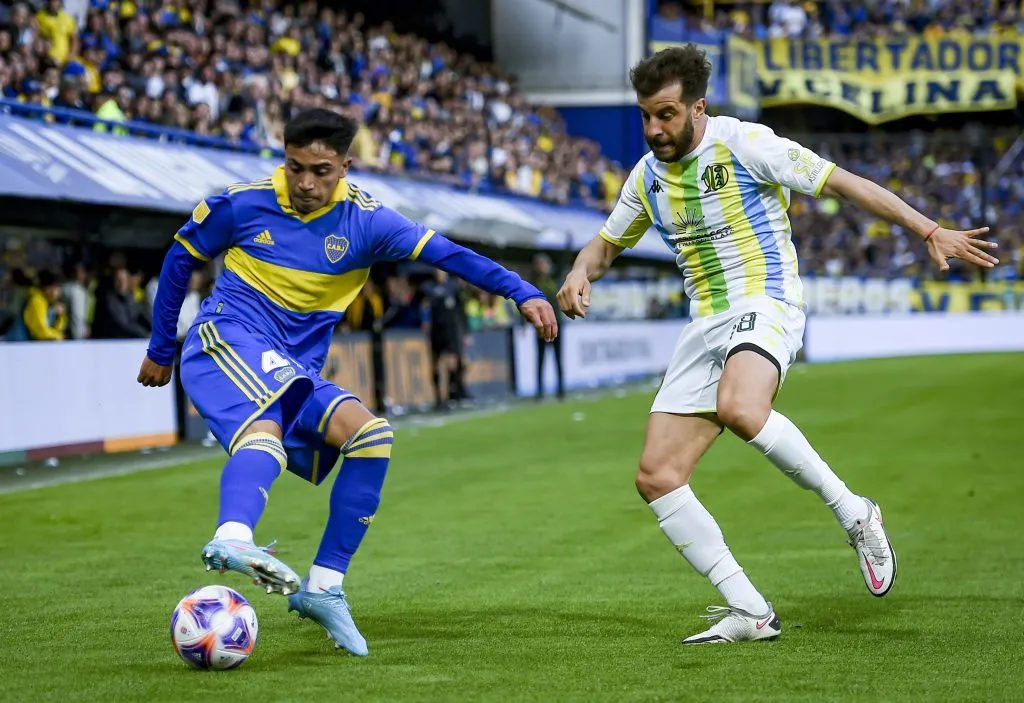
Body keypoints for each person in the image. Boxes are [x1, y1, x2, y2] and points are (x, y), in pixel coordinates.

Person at [556, 45, 998, 645]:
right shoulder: (646, 177)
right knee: (657, 475)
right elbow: (606, 245)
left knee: (742, 408)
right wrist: (580, 271)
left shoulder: (745, 144)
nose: (654, 129)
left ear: (697, 108)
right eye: (646, 116)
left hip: (766, 301)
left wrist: (928, 229)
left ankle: (855, 513)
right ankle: (750, 611)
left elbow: (843, 183)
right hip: (705, 323)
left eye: (666, 114)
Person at [137, 108, 557, 657]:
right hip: (226, 338)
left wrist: (521, 290)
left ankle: (324, 587)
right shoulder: (241, 204)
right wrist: (160, 347)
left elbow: (448, 254)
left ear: (345, 167)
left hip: (293, 367)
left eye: (321, 170)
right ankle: (232, 537)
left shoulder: (369, 221)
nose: (306, 183)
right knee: (268, 423)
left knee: (371, 436)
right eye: (295, 167)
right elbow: (179, 259)